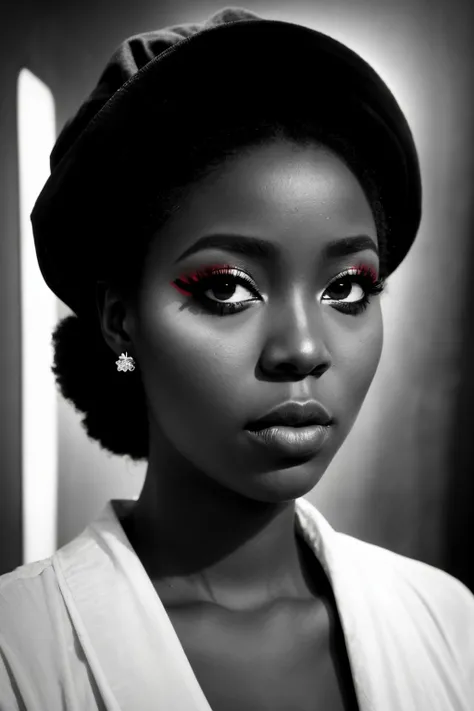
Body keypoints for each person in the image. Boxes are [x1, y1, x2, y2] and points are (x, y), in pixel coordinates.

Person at [1, 7, 473, 711]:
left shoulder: (450, 623)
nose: (304, 349)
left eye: (346, 288)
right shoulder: (17, 650)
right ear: (119, 319)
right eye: (226, 287)